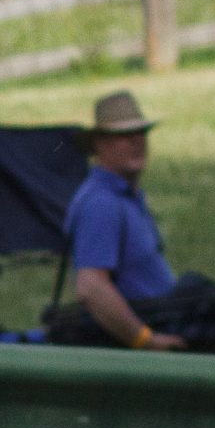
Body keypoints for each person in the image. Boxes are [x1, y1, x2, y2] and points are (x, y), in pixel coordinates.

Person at [62, 91, 185, 351]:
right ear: (99, 144)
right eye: (124, 135)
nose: (137, 141)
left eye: (141, 132)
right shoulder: (101, 203)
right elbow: (91, 287)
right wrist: (145, 340)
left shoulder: (126, 197)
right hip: (129, 352)